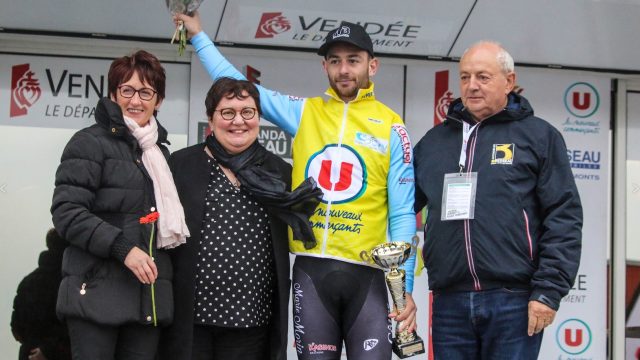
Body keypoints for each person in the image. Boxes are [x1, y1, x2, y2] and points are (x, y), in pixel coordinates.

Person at [174, 12, 418, 360]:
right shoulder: (305, 113)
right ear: (325, 68)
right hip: (311, 271)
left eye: (353, 60)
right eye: (335, 61)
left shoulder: (394, 128)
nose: (344, 69)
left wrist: (404, 287)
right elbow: (238, 88)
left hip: (368, 276)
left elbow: (403, 213)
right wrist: (198, 36)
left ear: (373, 65)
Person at [413, 41, 583, 359]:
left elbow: (564, 217)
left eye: (483, 76)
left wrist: (547, 292)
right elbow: (402, 204)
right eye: (464, 77)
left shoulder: (538, 137)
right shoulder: (434, 142)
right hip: (449, 301)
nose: (472, 86)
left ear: (509, 80)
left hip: (515, 301)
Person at [160, 77, 321, 360]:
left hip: (251, 322)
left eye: (248, 112)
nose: (239, 121)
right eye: (227, 112)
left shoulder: (279, 172)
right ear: (210, 117)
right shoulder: (182, 164)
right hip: (190, 322)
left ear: (258, 117)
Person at [50, 50, 189, 360]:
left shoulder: (160, 156)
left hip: (147, 301)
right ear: (113, 94)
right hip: (95, 296)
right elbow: (67, 213)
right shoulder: (88, 142)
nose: (135, 101)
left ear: (159, 100)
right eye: (126, 90)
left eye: (145, 92)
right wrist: (123, 248)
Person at [11, 228, 71, 360]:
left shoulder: (27, 282)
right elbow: (72, 328)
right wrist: (49, 350)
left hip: (28, 353)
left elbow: (16, 328)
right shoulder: (69, 283)